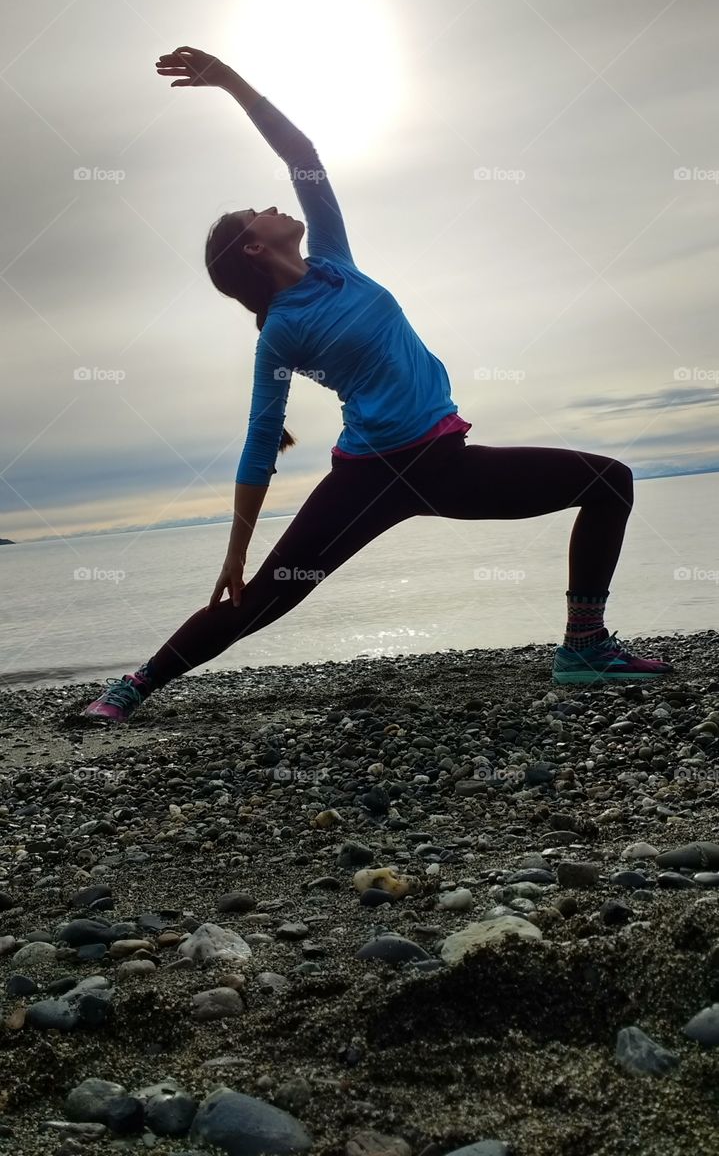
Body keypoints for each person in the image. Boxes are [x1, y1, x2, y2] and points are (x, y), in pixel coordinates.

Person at [82, 46, 673, 723]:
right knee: (265, 598)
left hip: (444, 466)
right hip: (368, 479)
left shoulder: (333, 259)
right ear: (252, 246)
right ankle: (131, 687)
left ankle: (583, 646)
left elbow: (300, 151)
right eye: (257, 211)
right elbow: (258, 441)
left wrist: (229, 82)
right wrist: (235, 552)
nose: (274, 205)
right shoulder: (280, 331)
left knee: (607, 482)